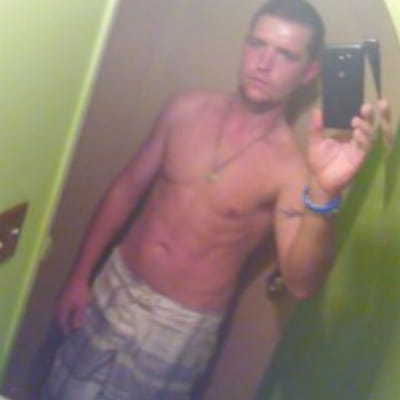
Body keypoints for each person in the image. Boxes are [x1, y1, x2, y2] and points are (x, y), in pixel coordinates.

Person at [42, 0, 391, 399]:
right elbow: (126, 188)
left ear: (308, 73)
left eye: (285, 55)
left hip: (180, 325)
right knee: (62, 388)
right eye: (257, 44)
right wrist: (80, 275)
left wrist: (326, 192)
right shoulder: (185, 108)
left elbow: (301, 283)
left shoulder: (288, 170)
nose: (263, 64)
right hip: (116, 283)